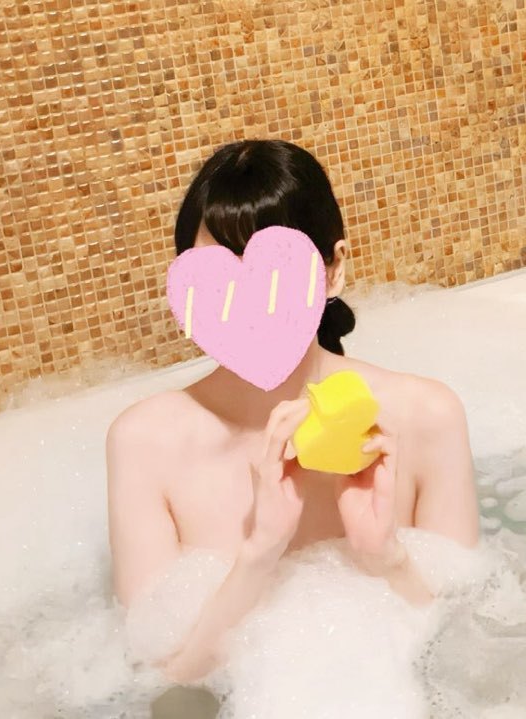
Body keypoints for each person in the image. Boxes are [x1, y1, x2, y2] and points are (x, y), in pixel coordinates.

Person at [106, 139, 479, 685]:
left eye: (273, 278)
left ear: (334, 270)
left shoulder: (426, 417)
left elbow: (471, 647)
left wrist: (386, 557)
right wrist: (259, 553)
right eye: (218, 276)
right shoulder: (145, 442)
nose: (247, 301)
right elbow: (161, 682)